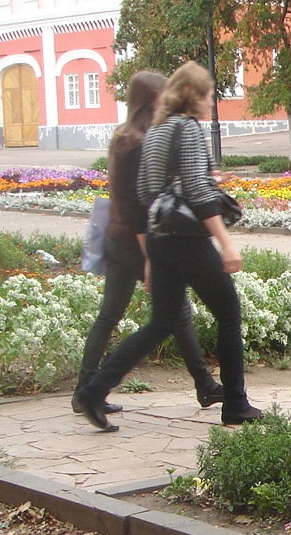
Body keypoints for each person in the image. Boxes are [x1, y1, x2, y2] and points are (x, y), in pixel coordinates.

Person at [74, 60, 261, 432]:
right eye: (208, 94)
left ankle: (93, 391)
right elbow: (196, 191)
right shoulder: (187, 128)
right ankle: (235, 405)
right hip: (188, 242)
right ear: (193, 95)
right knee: (229, 314)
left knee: (160, 323)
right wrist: (226, 243)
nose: (211, 102)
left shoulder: (157, 129)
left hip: (160, 240)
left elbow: (146, 193)